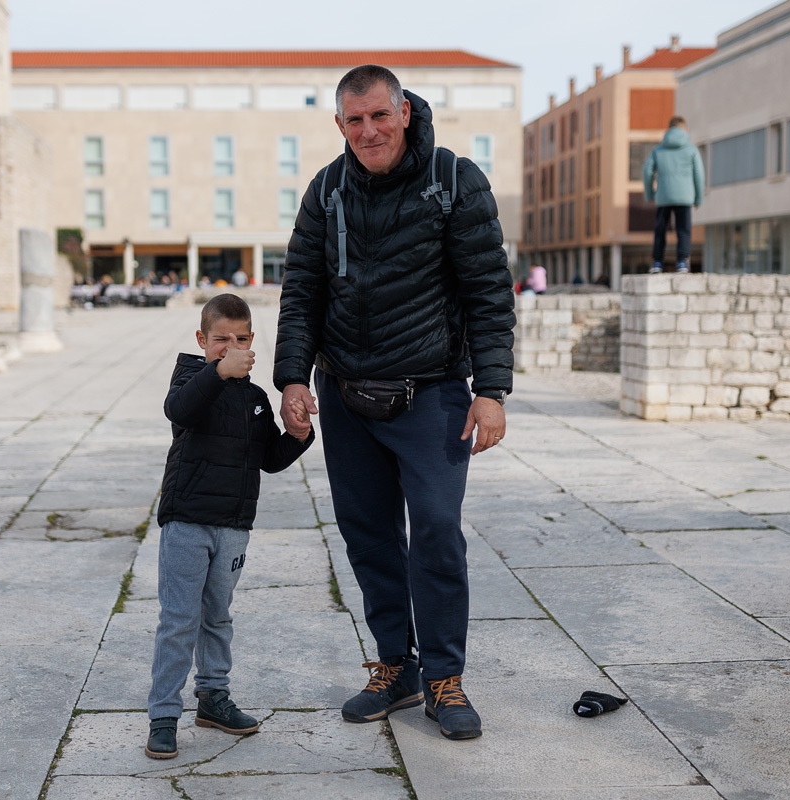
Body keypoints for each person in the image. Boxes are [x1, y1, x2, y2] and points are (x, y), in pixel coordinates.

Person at [275, 65, 514, 741]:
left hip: (432, 392)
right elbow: (302, 290)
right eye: (355, 120)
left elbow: (490, 293)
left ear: (404, 111)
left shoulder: (454, 179)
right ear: (340, 124)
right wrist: (293, 375)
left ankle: (444, 678)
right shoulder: (326, 190)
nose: (369, 130)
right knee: (368, 535)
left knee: (436, 532)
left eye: (380, 115)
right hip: (345, 394)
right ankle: (395, 666)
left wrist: (491, 391)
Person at [146, 293, 314, 760]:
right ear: (203, 340)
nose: (231, 346)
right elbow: (180, 411)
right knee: (179, 619)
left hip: (234, 525)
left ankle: (213, 697)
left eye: (240, 338)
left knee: (218, 615)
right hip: (186, 521)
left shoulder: (256, 398)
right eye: (221, 339)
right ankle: (163, 714)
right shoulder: (190, 380)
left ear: (253, 340)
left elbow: (269, 460)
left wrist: (298, 435)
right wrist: (218, 371)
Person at [643, 116, 705, 274]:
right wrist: (698, 198)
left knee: (660, 230)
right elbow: (699, 175)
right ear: (684, 129)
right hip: (685, 196)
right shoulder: (691, 149)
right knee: (683, 230)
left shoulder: (657, 150)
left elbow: (647, 172)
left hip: (663, 196)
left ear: (669, 129)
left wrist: (650, 194)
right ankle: (682, 263)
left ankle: (657, 263)